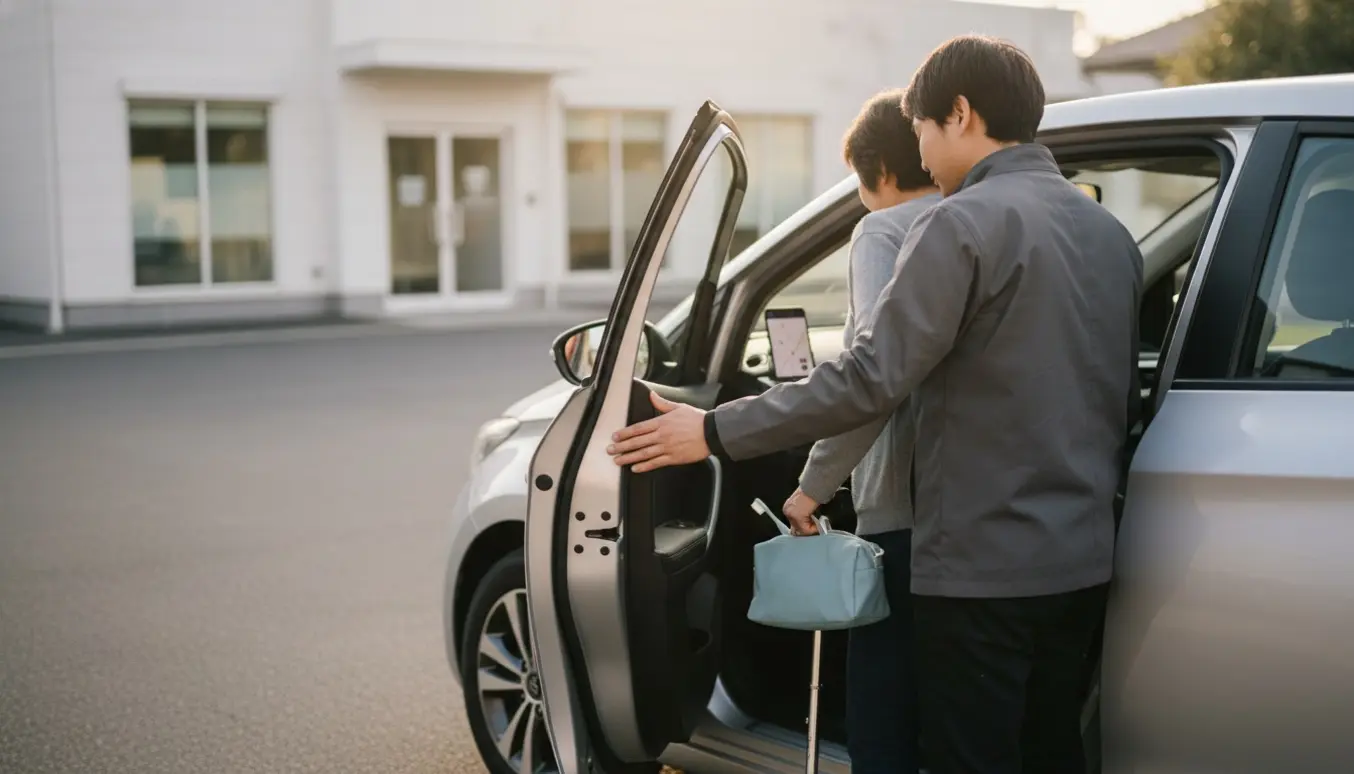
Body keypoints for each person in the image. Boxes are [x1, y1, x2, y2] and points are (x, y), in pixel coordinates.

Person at [606, 35, 1143, 774]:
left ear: (960, 114)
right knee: (1050, 749)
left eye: (921, 127)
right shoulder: (1110, 235)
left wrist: (717, 429)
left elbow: (869, 379)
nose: (920, 150)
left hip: (978, 568)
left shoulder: (959, 224)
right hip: (1080, 560)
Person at [781, 88, 939, 774]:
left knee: (881, 716)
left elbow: (873, 378)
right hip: (975, 518)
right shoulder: (975, 218)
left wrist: (812, 487)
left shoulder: (885, 231)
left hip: (901, 514)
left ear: (879, 170)